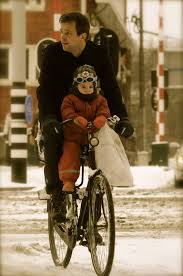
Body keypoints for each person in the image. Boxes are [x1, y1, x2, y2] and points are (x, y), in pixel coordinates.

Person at [36, 12, 134, 216]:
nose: (62, 37)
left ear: (83, 36)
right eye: (61, 32)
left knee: (103, 146)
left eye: (68, 33)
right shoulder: (52, 54)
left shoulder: (98, 54)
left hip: (92, 117)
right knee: (53, 141)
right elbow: (44, 90)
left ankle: (95, 212)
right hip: (59, 116)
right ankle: (56, 196)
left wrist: (122, 117)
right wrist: (47, 119)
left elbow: (111, 87)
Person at [58, 64, 110, 193]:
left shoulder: (100, 100)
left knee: (106, 148)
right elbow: (67, 112)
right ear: (76, 86)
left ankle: (107, 176)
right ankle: (69, 180)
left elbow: (104, 112)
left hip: (93, 136)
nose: (87, 89)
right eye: (83, 87)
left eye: (90, 86)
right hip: (74, 135)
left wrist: (100, 120)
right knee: (70, 152)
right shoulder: (69, 99)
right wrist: (77, 119)